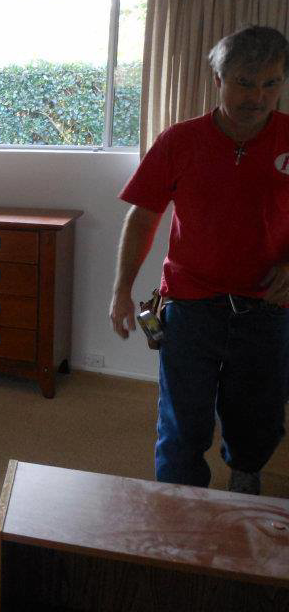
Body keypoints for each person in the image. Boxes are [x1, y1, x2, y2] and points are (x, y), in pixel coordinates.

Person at [109, 25, 289, 495]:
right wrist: (121, 291)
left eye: (271, 83)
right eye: (245, 82)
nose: (258, 96)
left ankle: (245, 477)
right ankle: (178, 508)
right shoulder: (179, 141)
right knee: (182, 422)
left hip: (269, 308)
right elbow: (143, 216)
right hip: (190, 305)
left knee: (258, 419)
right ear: (219, 79)